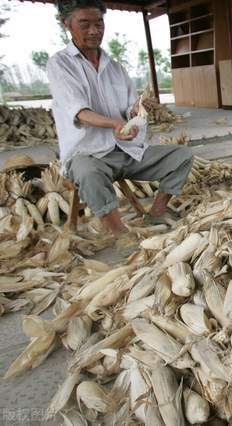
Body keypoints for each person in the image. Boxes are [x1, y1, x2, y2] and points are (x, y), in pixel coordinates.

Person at [48, 0, 193, 250]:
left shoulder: (115, 68)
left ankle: (157, 211)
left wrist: (138, 109)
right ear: (66, 24)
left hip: (124, 150)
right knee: (89, 173)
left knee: (182, 155)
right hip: (88, 153)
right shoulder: (60, 64)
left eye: (99, 23)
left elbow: (128, 107)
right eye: (85, 24)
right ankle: (119, 232)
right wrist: (115, 124)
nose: (94, 31)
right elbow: (79, 112)